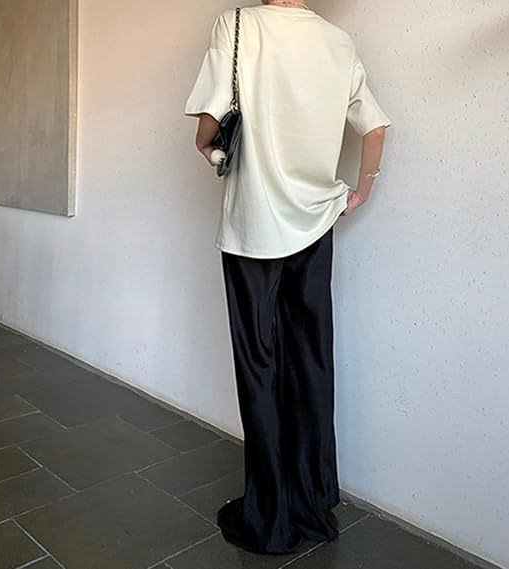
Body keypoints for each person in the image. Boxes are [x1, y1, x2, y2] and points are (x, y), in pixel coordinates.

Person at [184, 0, 391, 555]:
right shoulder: (338, 41)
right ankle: (312, 503)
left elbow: (208, 127)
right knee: (311, 359)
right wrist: (361, 189)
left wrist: (208, 148)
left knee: (260, 363)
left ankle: (269, 515)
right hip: (316, 222)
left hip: (252, 227)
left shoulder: (236, 25)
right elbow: (375, 126)